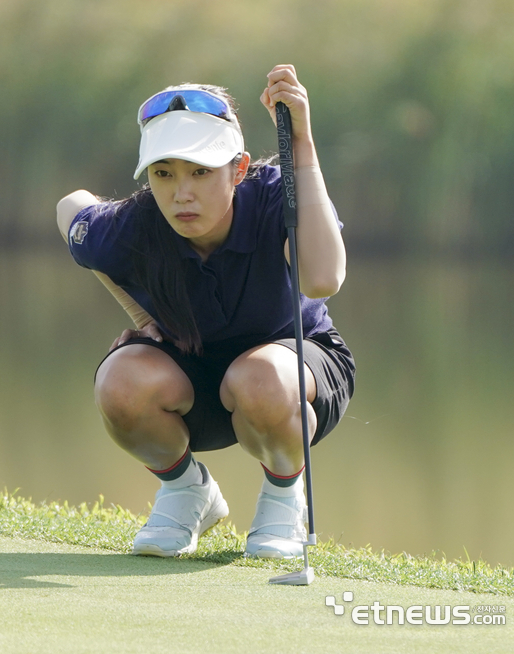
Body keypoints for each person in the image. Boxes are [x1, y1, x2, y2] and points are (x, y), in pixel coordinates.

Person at [56, 64, 355, 559]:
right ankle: (186, 491)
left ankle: (284, 496)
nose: (181, 193)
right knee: (120, 381)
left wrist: (300, 140)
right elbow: (71, 208)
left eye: (200, 171)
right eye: (163, 174)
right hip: (198, 383)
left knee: (257, 377)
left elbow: (324, 279)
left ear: (237, 169)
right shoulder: (136, 223)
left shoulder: (273, 196)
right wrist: (140, 316)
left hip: (294, 378)